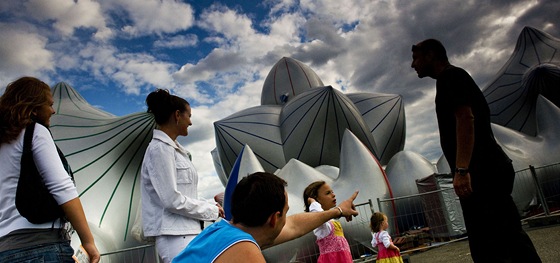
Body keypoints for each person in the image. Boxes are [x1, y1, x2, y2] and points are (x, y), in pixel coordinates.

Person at [411, 39, 542, 262]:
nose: (413, 65)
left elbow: (465, 117)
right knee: (497, 239)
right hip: (484, 171)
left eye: (416, 58)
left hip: (481, 174)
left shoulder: (450, 77)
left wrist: (462, 170)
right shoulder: (453, 78)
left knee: (499, 239)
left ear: (431, 55)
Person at [0, 77, 100, 262]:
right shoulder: (35, 132)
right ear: (33, 107)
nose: (53, 111)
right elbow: (63, 188)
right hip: (41, 244)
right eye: (49, 104)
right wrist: (89, 242)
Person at [172, 172, 359, 263]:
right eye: (286, 212)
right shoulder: (245, 252)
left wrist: (338, 211)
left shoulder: (220, 231)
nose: (288, 217)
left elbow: (294, 226)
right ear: (273, 219)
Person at [141, 89, 225, 263]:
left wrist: (210, 204)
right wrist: (211, 210)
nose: (191, 122)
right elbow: (171, 200)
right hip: (175, 237)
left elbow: (185, 196)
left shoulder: (172, 149)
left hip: (185, 233)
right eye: (189, 116)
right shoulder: (160, 150)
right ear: (177, 115)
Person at [303, 181, 353, 263]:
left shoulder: (331, 221)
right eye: (328, 193)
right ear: (317, 199)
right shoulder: (320, 224)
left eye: (332, 192)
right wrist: (313, 203)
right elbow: (318, 215)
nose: (333, 195)